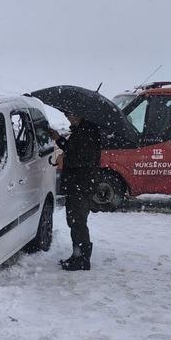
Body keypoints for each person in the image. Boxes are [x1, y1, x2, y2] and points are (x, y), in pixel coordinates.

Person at [49, 113, 101, 271]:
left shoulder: (88, 132)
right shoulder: (81, 130)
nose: (68, 118)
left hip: (81, 184)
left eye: (70, 115)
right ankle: (77, 256)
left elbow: (84, 160)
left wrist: (63, 159)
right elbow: (74, 150)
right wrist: (59, 139)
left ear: (80, 114)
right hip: (77, 184)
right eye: (66, 115)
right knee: (74, 221)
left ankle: (82, 260)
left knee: (77, 221)